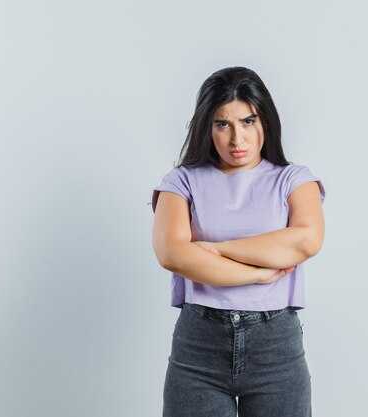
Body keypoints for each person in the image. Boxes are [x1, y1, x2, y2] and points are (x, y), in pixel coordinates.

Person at [150, 66, 326, 417]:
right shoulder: (182, 181)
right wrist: (257, 274)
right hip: (199, 345)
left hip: (276, 345)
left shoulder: (294, 179)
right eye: (222, 124)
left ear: (266, 122)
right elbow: (172, 253)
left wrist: (214, 248)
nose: (237, 139)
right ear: (206, 127)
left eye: (248, 122)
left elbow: (305, 241)